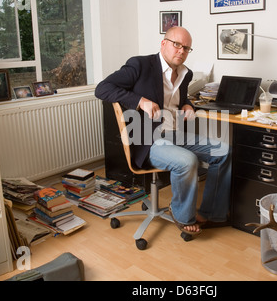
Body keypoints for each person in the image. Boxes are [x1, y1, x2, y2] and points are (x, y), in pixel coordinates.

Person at [95, 26, 231, 235]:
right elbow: (102, 88)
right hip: (148, 140)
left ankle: (209, 213)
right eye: (177, 45)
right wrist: (140, 101)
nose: (181, 51)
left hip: (174, 134)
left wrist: (187, 105)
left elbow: (179, 98)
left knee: (223, 151)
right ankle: (183, 216)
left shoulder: (186, 74)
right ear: (163, 44)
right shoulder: (140, 65)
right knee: (187, 161)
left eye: (186, 48)